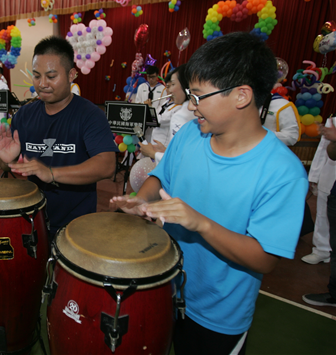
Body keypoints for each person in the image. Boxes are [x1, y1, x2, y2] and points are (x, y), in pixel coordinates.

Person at [111, 32, 308, 355]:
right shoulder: (191, 134)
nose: (191, 105)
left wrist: (199, 223)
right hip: (162, 285)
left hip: (218, 314)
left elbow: (265, 257)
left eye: (199, 96)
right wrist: (142, 201)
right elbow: (161, 176)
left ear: (241, 96)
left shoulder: (282, 172)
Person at [0, 36, 117, 238]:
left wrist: (51, 173)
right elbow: (8, 165)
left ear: (71, 75)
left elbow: (107, 165)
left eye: (51, 76)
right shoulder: (24, 115)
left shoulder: (89, 114)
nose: (42, 84)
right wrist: (8, 160)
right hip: (29, 219)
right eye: (36, 75)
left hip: (75, 226)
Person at [302, 122, 336, 307]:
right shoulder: (333, 120)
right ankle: (322, 250)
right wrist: (314, 176)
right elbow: (325, 150)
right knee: (323, 217)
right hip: (330, 179)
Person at [139, 65, 195, 164]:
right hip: (161, 146)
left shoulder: (183, 113)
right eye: (168, 86)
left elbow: (158, 120)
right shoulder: (168, 103)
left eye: (172, 85)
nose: (169, 90)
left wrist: (150, 108)